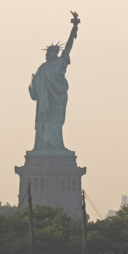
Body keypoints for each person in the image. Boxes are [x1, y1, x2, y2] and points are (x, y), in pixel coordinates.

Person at [29, 12, 80, 152]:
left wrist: (74, 29)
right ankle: (47, 147)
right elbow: (34, 93)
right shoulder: (43, 69)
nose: (48, 54)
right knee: (47, 123)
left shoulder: (57, 64)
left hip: (56, 101)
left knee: (56, 124)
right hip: (48, 104)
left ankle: (55, 146)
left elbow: (68, 47)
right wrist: (32, 85)